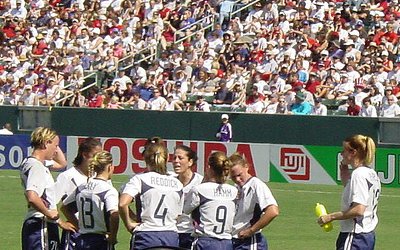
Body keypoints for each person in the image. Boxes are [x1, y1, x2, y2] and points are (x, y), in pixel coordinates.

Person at [317, 135, 381, 250]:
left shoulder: (358, 174)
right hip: (366, 235)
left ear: (353, 152)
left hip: (354, 236)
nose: (342, 154)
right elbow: (361, 196)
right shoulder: (371, 173)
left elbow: (358, 209)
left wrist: (330, 217)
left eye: (344, 150)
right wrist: (346, 178)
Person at [119, 140, 184, 249]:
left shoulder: (140, 179)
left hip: (146, 235)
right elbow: (177, 215)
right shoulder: (177, 183)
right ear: (167, 159)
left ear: (145, 159)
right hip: (170, 236)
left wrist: (128, 224)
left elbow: (122, 203)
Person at [19, 127, 75, 250]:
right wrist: (51, 215)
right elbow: (32, 197)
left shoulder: (32, 162)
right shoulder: (36, 166)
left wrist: (54, 140)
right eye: (55, 146)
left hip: (38, 223)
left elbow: (62, 163)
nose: (56, 150)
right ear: (45, 143)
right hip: (41, 224)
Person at [61, 151, 119, 250]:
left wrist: (79, 226)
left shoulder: (82, 187)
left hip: (82, 240)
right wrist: (113, 236)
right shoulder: (108, 190)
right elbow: (114, 214)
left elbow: (65, 208)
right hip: (101, 241)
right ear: (110, 167)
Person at [51, 137, 102, 249]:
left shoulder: (100, 176)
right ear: (84, 155)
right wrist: (60, 222)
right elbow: (51, 202)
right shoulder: (67, 176)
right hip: (75, 233)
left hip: (97, 233)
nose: (98, 160)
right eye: (95, 155)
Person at [183, 151, 238, 249]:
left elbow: (184, 210)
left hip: (205, 241)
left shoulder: (200, 189)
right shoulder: (233, 191)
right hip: (227, 243)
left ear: (209, 168)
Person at [229, 153, 279, 250]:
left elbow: (273, 211)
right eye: (233, 177)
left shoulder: (256, 185)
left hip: (250, 242)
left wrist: (251, 230)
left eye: (239, 175)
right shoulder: (236, 188)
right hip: (235, 240)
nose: (237, 179)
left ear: (246, 167)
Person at [172, 145, 204, 249]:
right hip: (171, 232)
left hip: (191, 235)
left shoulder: (201, 182)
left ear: (190, 162)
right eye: (174, 158)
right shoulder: (169, 181)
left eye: (180, 158)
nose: (176, 161)